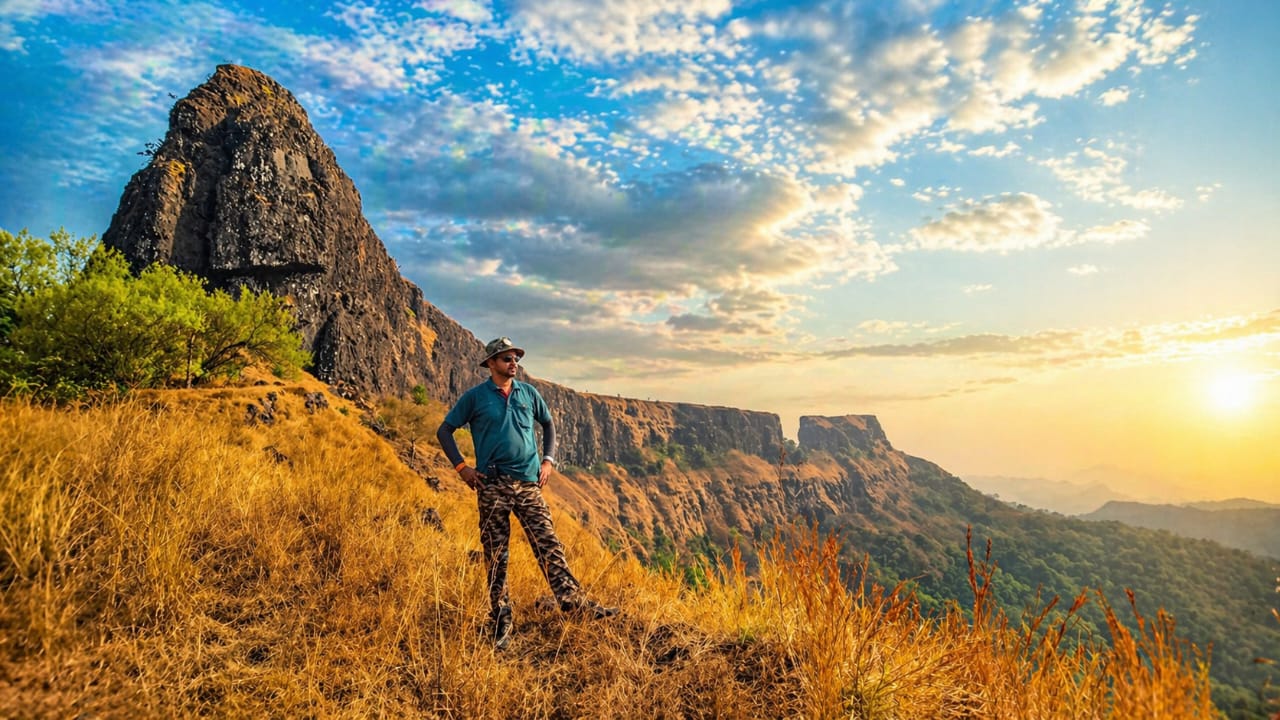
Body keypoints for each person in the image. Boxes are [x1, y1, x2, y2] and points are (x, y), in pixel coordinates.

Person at [436, 337, 618, 649]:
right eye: (506, 358)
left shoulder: (528, 393)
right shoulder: (476, 398)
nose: (513, 363)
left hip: (528, 484)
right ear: (491, 363)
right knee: (496, 553)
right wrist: (462, 468)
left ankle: (572, 602)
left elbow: (548, 425)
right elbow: (444, 431)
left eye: (515, 358)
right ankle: (500, 615)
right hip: (492, 485)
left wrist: (548, 461)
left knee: (547, 542)